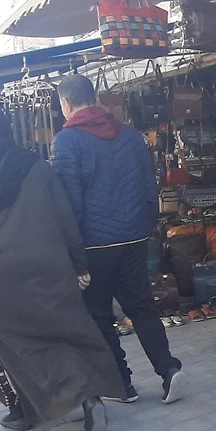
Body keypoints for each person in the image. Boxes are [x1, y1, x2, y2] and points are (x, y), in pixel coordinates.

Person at [0, 101, 122, 431]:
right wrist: (79, 264)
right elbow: (64, 216)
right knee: (63, 334)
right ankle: (89, 397)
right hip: (47, 267)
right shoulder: (36, 164)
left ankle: (22, 411)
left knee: (10, 346)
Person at [52, 74, 186, 405]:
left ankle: (122, 384)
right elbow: (150, 188)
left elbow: (69, 202)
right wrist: (144, 227)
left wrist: (73, 254)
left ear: (66, 104)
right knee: (141, 307)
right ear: (94, 97)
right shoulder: (129, 136)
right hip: (133, 238)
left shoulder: (67, 141)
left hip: (94, 244)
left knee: (99, 314)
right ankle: (168, 369)